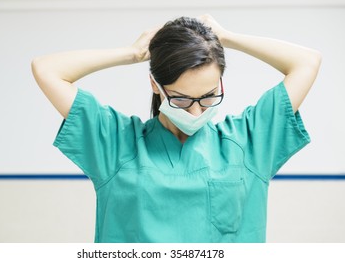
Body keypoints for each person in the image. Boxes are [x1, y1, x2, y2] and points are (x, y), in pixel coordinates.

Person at [31, 14, 321, 243]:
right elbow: (47, 69)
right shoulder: (116, 144)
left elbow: (307, 62)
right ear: (155, 86)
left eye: (209, 96)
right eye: (181, 99)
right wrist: (131, 53)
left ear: (221, 84)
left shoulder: (248, 141)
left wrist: (225, 38)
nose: (196, 110)